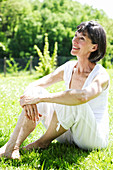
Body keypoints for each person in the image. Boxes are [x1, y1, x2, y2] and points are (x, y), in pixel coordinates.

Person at [0, 20, 110, 159]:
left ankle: (42, 142)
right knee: (36, 91)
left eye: (81, 38)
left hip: (91, 138)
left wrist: (41, 98)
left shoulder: (101, 75)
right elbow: (37, 84)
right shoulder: (69, 67)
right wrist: (28, 98)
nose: (74, 41)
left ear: (94, 47)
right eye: (75, 36)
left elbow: (82, 97)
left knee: (74, 100)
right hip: (64, 132)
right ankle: (11, 146)